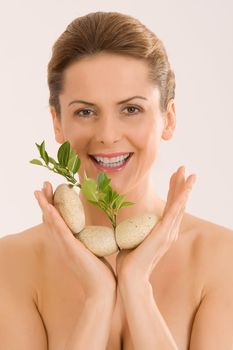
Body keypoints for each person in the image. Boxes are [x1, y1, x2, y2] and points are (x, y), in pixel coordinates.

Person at [0, 11, 233, 350]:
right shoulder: (12, 263)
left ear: (168, 119)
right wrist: (97, 298)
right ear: (58, 123)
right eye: (85, 112)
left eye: (131, 109)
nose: (108, 135)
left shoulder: (222, 258)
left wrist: (137, 287)